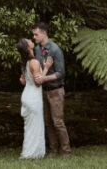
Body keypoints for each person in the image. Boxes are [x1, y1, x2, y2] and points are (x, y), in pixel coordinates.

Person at [32, 21, 71, 156]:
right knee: (48, 122)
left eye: (36, 34)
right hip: (43, 91)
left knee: (58, 122)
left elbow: (61, 73)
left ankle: (66, 151)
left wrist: (44, 79)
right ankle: (53, 150)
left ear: (44, 33)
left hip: (56, 91)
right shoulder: (37, 49)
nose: (34, 37)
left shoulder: (55, 49)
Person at [17, 37, 48, 159]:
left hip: (26, 95)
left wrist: (22, 79)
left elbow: (23, 81)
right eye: (28, 41)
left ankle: (31, 153)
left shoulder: (25, 62)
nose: (31, 40)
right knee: (35, 126)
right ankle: (32, 154)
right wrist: (45, 68)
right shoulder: (34, 62)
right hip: (33, 97)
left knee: (30, 127)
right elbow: (38, 82)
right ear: (27, 47)